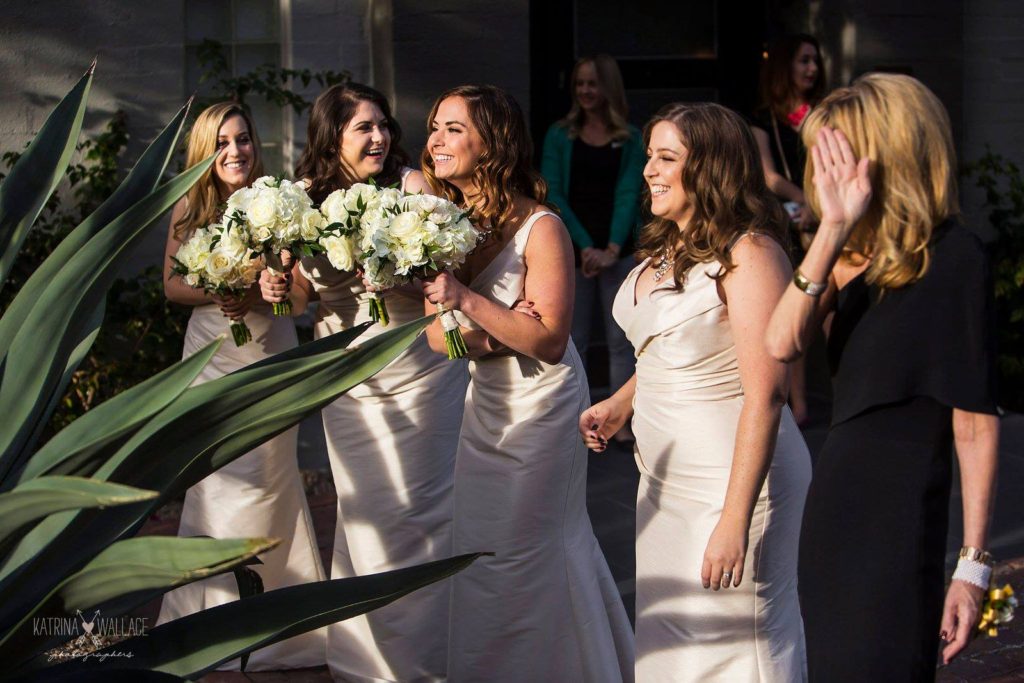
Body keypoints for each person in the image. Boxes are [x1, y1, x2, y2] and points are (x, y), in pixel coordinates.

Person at [764, 73, 1000, 681]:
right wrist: (833, 229)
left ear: (884, 155)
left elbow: (974, 423)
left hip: (904, 508)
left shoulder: (958, 258)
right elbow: (779, 343)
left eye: (834, 157)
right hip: (838, 500)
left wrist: (972, 567)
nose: (822, 175)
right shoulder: (843, 257)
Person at [580, 102, 811, 681]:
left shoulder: (752, 255)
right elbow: (673, 350)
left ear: (708, 169)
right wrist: (621, 402)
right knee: (675, 636)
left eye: (666, 158)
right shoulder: (666, 249)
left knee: (737, 639)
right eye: (650, 157)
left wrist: (735, 519)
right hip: (665, 484)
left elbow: (768, 394)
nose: (649, 171)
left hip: (735, 483)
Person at [419, 84, 634, 682]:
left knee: (529, 547)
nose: (436, 139)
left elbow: (547, 339)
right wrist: (491, 332)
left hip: (541, 403)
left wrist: (466, 300)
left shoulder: (542, 228)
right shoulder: (442, 225)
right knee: (482, 551)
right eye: (435, 126)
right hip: (486, 402)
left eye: (454, 128)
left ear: (494, 142)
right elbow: (440, 339)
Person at [259, 83, 467, 682]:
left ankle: (424, 660)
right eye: (362, 128)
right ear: (333, 138)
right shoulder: (307, 200)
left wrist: (397, 277)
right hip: (347, 376)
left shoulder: (412, 187)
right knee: (363, 508)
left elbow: (442, 277)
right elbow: (303, 292)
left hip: (418, 369)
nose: (378, 137)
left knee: (418, 510)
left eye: (381, 125)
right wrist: (279, 287)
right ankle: (365, 660)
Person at [160, 102, 325, 670]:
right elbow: (173, 286)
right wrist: (220, 289)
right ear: (206, 150)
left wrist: (266, 292)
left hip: (269, 352)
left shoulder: (278, 204)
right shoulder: (189, 205)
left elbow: (301, 299)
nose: (236, 151)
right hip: (210, 355)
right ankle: (213, 620)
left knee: (270, 477)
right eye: (224, 142)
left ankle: (277, 626)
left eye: (244, 139)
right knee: (218, 480)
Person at [541, 55, 645, 439]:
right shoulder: (559, 134)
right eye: (580, 84)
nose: (585, 91)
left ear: (609, 88)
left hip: (618, 252)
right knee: (574, 340)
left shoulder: (630, 138)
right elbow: (553, 193)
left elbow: (629, 193)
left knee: (622, 341)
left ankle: (619, 425)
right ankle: (581, 421)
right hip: (572, 254)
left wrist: (613, 248)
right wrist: (586, 247)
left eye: (593, 83)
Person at [750, 34, 827, 426]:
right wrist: (807, 199)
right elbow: (768, 175)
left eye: (815, 61)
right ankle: (799, 403)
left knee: (829, 308)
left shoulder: (825, 114)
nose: (812, 68)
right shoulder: (765, 118)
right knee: (795, 304)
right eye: (803, 61)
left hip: (828, 216)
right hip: (792, 217)